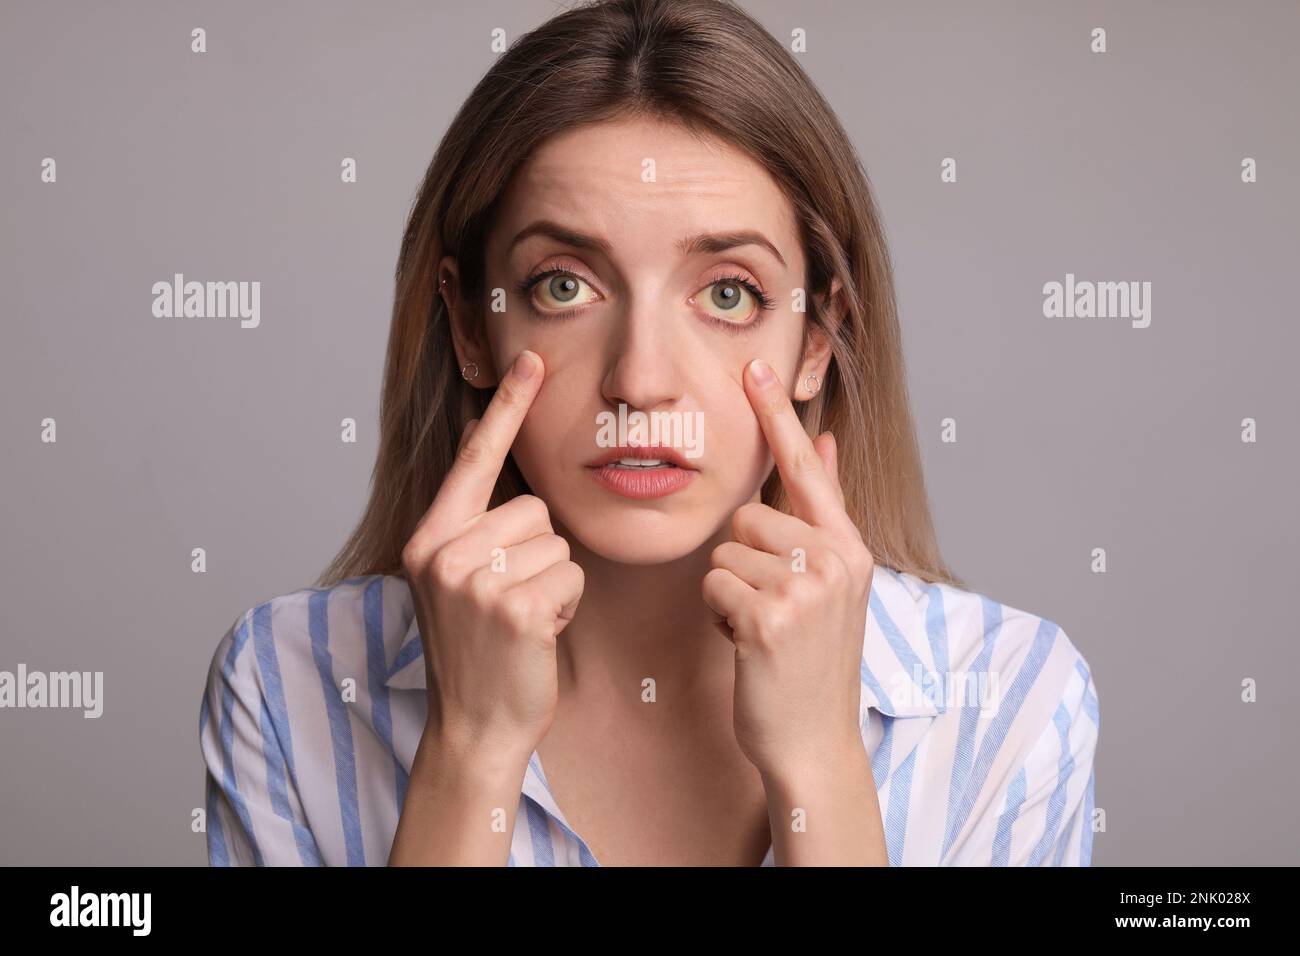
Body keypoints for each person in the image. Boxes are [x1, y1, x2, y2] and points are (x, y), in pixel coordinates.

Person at [199, 0, 1098, 866]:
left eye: (728, 293)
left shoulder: (1011, 701)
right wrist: (471, 753)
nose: (641, 380)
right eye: (564, 285)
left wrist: (821, 768)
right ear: (472, 326)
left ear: (816, 341)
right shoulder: (290, 686)